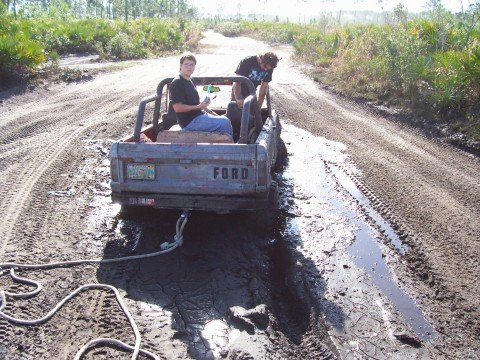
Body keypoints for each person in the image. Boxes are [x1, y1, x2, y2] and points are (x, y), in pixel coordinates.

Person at [169, 53, 233, 138]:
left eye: (192, 64)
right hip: (189, 121)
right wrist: (199, 107)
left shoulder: (190, 80)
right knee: (224, 123)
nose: (189, 67)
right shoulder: (177, 82)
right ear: (181, 65)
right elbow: (178, 108)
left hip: (198, 116)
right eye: (186, 64)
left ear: (195, 67)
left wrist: (211, 112)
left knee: (224, 119)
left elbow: (195, 103)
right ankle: (228, 149)